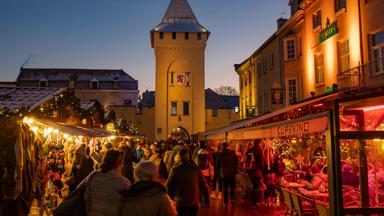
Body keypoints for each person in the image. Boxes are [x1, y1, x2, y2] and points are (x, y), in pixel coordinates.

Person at [84, 150, 131, 216]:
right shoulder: (124, 183)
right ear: (118, 163)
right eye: (122, 162)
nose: (123, 165)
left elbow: (87, 198)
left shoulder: (93, 176)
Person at [167, 149, 209, 216]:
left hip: (180, 201)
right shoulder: (195, 169)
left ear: (179, 157)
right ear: (188, 156)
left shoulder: (175, 169)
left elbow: (169, 186)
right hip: (193, 200)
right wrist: (206, 199)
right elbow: (204, 185)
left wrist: (173, 197)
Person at [245, 139, 264, 206]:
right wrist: (262, 170)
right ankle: (254, 202)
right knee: (256, 186)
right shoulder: (259, 150)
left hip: (250, 170)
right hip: (257, 171)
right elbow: (261, 162)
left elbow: (246, 158)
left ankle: (252, 200)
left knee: (253, 185)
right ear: (259, 143)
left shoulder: (250, 150)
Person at [194, 141, 213, 207]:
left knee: (199, 188)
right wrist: (212, 174)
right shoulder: (208, 153)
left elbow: (195, 163)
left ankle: (200, 202)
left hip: (199, 173)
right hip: (207, 173)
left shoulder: (197, 153)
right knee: (206, 188)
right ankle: (206, 202)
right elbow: (211, 164)